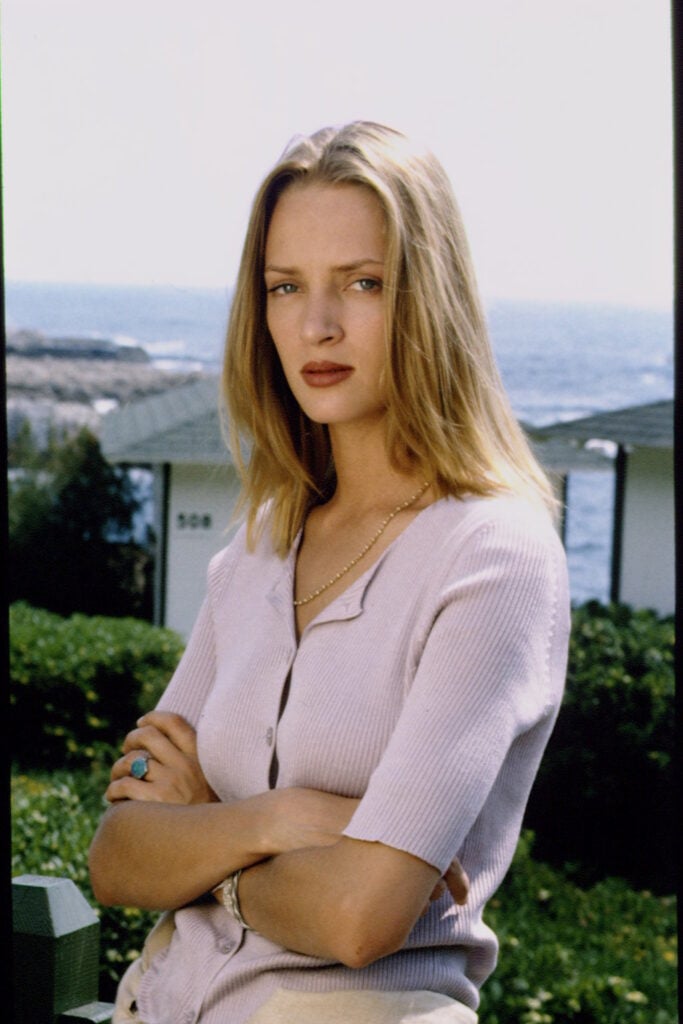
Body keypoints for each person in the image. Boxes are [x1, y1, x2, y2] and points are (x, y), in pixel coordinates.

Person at [89, 121, 570, 1024]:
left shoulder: (493, 557)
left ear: (429, 299)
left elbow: (360, 916)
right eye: (284, 287)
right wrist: (278, 820)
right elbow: (117, 855)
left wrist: (202, 852)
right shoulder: (260, 550)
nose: (316, 325)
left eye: (362, 283)